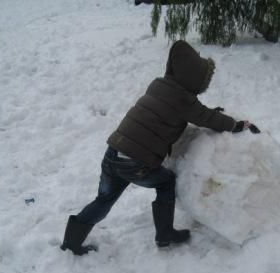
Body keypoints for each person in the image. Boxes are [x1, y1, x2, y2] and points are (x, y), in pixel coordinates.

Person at [60, 40, 259, 255]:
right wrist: (235, 125)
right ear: (194, 80)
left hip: (113, 153)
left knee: (104, 200)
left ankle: (71, 242)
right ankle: (165, 235)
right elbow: (204, 117)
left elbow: (183, 111)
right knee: (166, 182)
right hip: (135, 162)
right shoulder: (183, 99)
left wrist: (205, 110)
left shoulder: (158, 85)